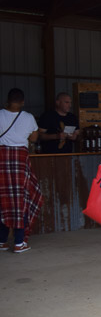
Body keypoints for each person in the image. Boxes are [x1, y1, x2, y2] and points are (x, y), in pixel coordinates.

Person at [0, 88, 42, 253]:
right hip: (20, 161)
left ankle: (2, 241)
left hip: (2, 159)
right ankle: (19, 242)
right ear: (23, 102)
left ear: (7, 100)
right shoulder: (28, 117)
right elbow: (33, 138)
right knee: (21, 200)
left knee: (3, 200)